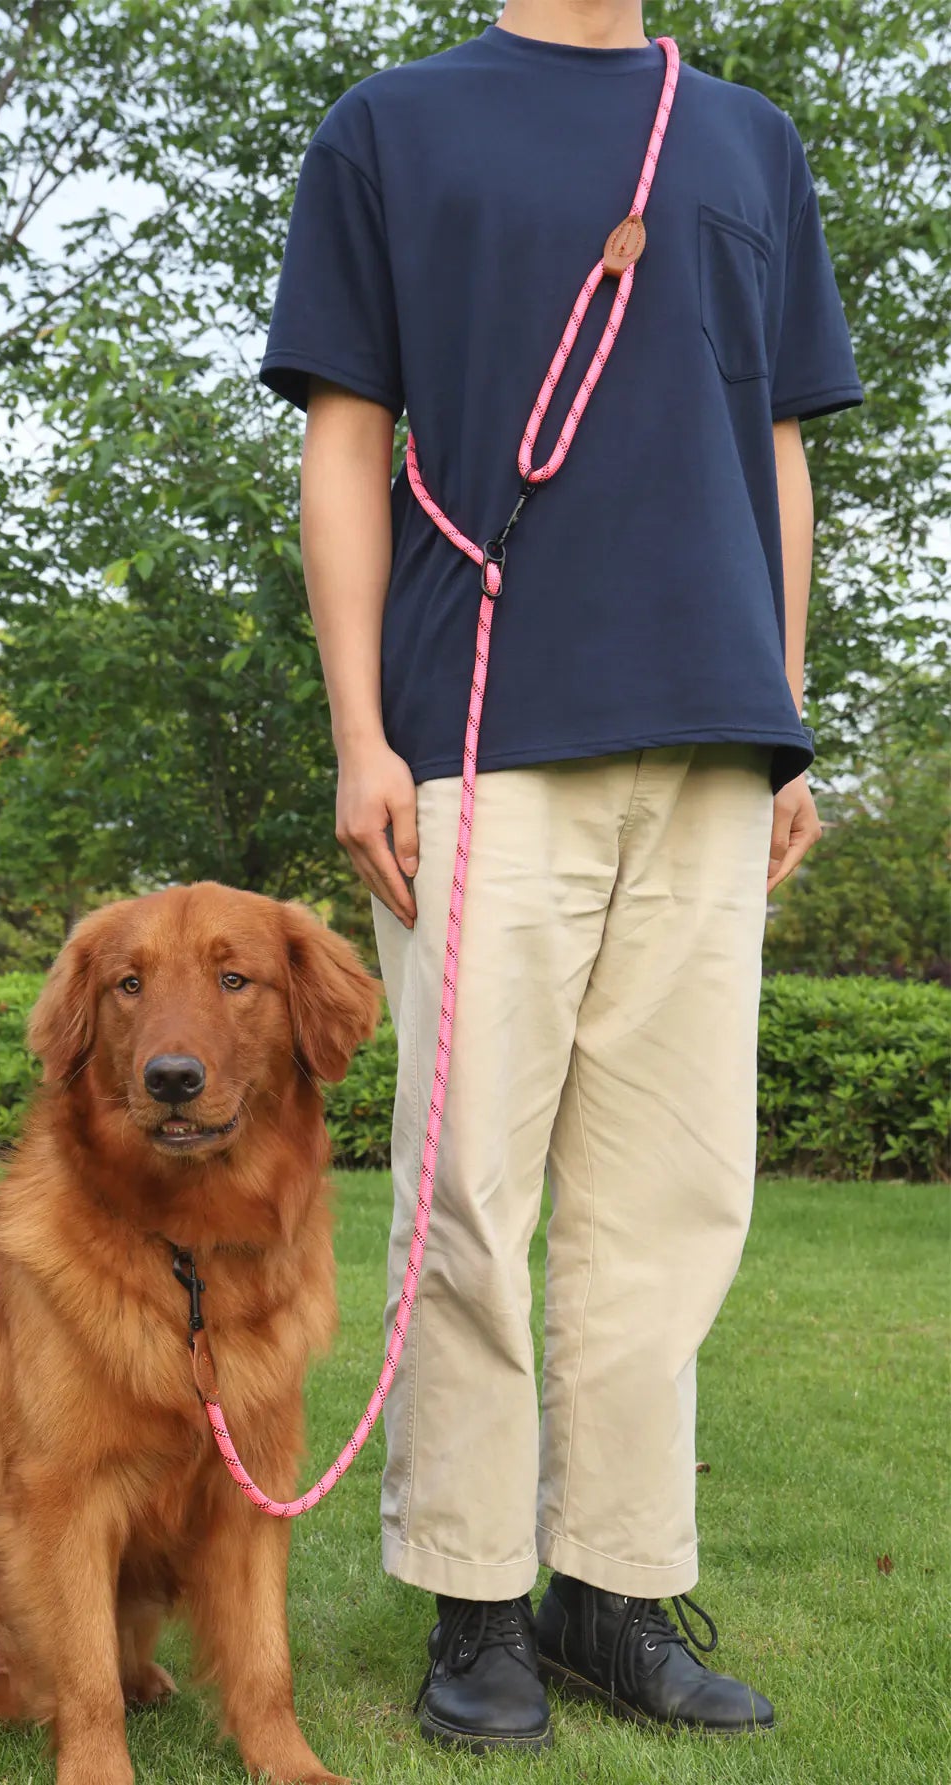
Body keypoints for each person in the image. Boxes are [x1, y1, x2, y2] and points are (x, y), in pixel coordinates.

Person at [257, 0, 863, 1756]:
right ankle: (474, 1604)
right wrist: (365, 732)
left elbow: (779, 451)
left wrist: (789, 713)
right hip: (478, 737)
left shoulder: (747, 137)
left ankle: (611, 1588)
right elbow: (347, 441)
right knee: (469, 1189)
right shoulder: (392, 126)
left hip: (710, 738)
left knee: (671, 1198)